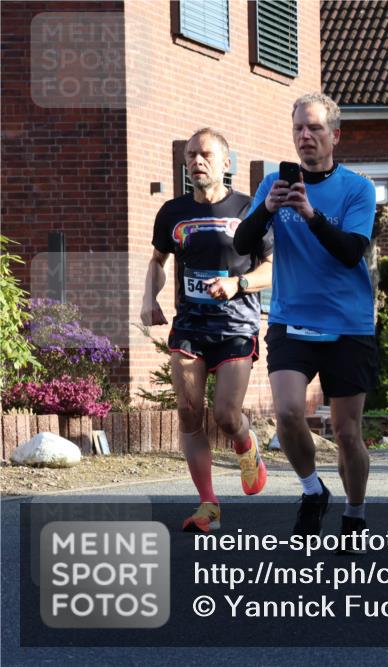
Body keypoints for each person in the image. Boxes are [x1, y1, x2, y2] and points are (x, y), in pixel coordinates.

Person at [234, 92, 377, 544]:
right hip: (291, 317)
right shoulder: (273, 185)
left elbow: (352, 250)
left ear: (334, 135)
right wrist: (268, 209)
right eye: (298, 128)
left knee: (347, 431)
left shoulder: (358, 188)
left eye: (314, 128)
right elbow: (241, 244)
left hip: (348, 323)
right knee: (289, 413)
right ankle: (313, 490)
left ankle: (354, 513)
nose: (305, 136)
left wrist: (311, 216)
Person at [141, 128, 272, 533]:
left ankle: (246, 445)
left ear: (226, 164)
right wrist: (149, 299)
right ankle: (208, 504)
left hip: (236, 325)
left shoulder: (249, 209)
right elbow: (158, 261)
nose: (197, 161)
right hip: (190, 325)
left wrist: (238, 283)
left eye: (206, 155)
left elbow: (274, 267)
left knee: (227, 415)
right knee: (188, 412)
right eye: (191, 155)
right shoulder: (172, 212)